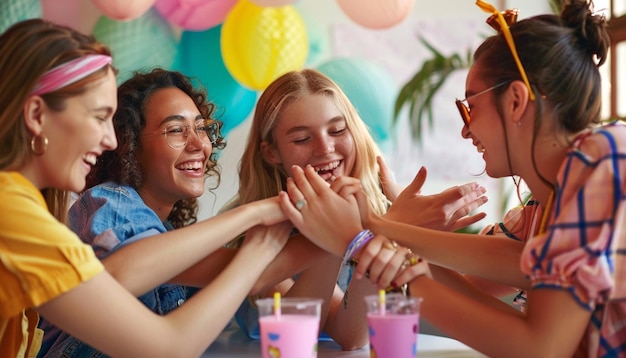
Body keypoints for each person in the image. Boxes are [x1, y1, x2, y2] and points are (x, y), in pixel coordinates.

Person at [282, 0, 626, 356]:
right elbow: (516, 262)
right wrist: (376, 228)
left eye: (469, 107)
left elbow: (539, 347)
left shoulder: (603, 159)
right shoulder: (553, 195)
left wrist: (365, 241)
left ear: (515, 101)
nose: (466, 130)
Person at [0, 19, 290, 358]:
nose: (109, 139)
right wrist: (257, 224)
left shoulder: (21, 206)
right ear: (36, 115)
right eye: (98, 117)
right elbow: (169, 347)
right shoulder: (13, 211)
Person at [223, 68, 490, 349]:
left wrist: (389, 230)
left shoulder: (375, 207)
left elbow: (352, 336)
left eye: (337, 130)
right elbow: (291, 333)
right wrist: (357, 232)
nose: (325, 148)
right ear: (272, 152)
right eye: (302, 139)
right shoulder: (251, 224)